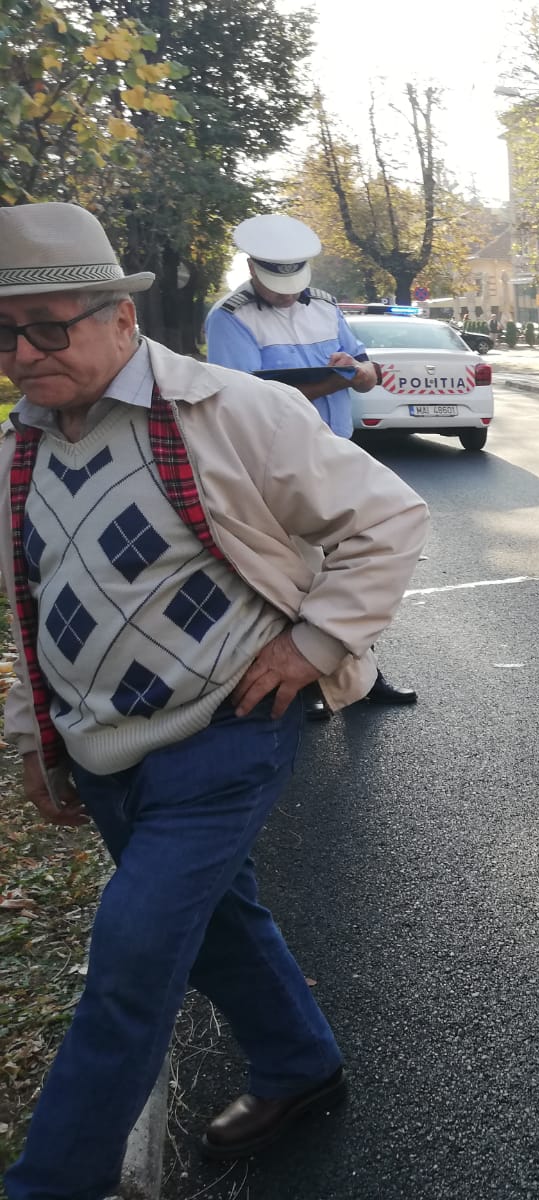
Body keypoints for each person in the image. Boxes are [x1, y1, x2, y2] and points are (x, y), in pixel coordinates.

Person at [0, 202, 429, 1200]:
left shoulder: (229, 412)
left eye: (48, 329)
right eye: (4, 333)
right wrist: (33, 736)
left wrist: (313, 641)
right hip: (101, 748)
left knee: (131, 961)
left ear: (120, 318)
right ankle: (300, 1066)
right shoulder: (20, 449)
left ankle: (53, 1182)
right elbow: (30, 602)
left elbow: (388, 516)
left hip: (224, 733)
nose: (22, 355)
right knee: (220, 921)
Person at [205, 214, 418, 712]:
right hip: (274, 466)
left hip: (337, 452)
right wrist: (331, 381)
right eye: (275, 284)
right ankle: (314, 683)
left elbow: (367, 370)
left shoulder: (324, 305)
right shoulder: (230, 318)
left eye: (294, 283)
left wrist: (357, 372)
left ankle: (360, 678)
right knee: (301, 576)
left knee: (356, 572)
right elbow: (243, 400)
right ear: (252, 268)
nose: (286, 295)